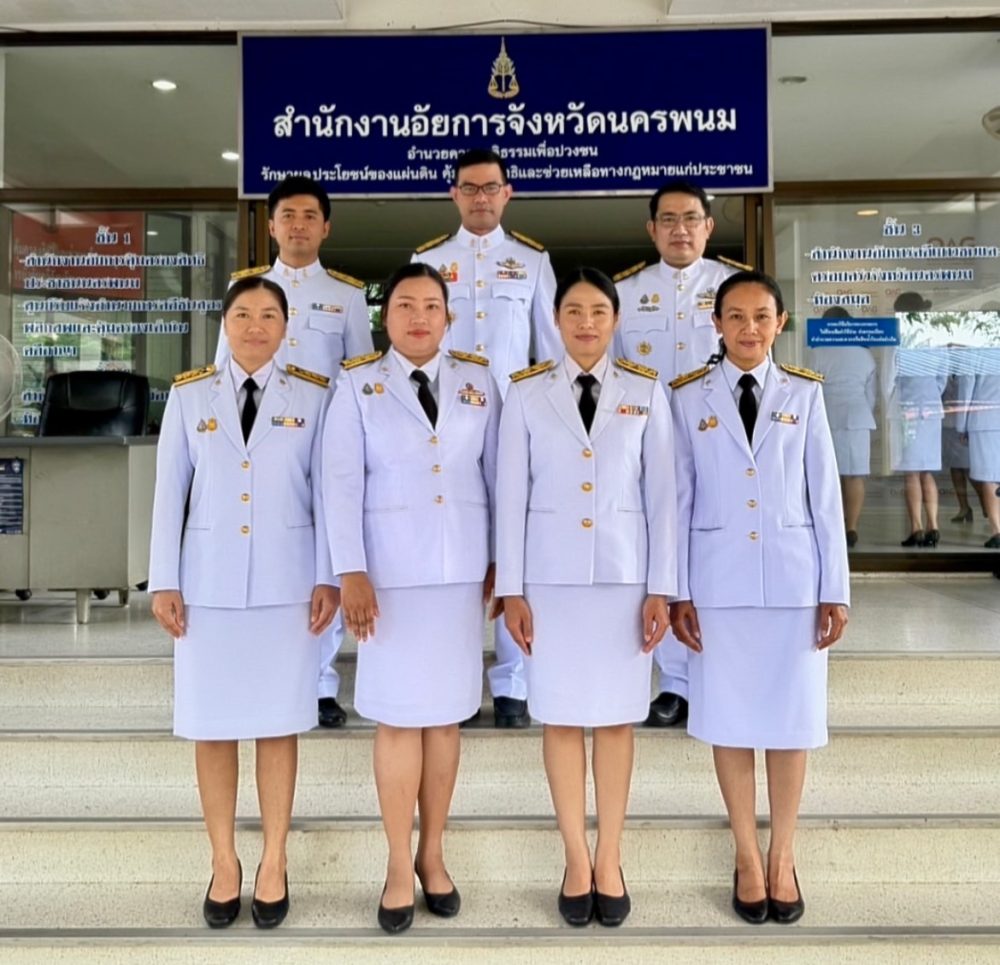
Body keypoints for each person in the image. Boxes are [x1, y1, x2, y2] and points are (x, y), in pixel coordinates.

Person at [149, 277, 338, 930]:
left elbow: (327, 494)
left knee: (278, 723)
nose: (255, 326)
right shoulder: (188, 394)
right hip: (207, 588)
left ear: (286, 326)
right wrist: (163, 579)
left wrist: (329, 576)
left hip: (288, 587)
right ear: (224, 323)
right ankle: (224, 860)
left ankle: (274, 860)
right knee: (212, 724)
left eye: (268, 315)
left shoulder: (313, 395)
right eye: (242, 314)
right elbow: (168, 493)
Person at [323, 263, 501, 934]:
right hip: (388, 578)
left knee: (446, 719)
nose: (419, 316)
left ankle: (434, 851)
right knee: (399, 720)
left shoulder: (479, 381)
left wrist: (502, 562)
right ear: (384, 316)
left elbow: (498, 477)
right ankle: (398, 861)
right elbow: (340, 482)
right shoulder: (356, 384)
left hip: (459, 573)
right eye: (404, 304)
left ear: (449, 316)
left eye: (431, 305)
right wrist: (350, 569)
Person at [496, 267, 676, 928]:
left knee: (619, 720)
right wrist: (511, 589)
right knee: (561, 718)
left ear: (616, 318)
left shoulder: (646, 390)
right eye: (573, 311)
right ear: (555, 319)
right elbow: (510, 493)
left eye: (598, 311)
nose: (586, 323)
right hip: (550, 581)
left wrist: (663, 587)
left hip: (626, 581)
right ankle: (576, 858)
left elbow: (664, 495)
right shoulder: (525, 392)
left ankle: (611, 857)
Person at [670, 270, 849, 925]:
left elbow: (824, 495)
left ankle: (783, 855)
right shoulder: (686, 396)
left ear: (780, 323)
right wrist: (676, 590)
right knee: (729, 721)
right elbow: (677, 499)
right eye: (736, 316)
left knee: (790, 721)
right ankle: (746, 856)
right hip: (717, 585)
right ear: (716, 323)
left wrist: (835, 588)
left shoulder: (805, 392)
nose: (749, 328)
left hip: (795, 583)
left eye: (762, 316)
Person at [216, 174, 373, 731]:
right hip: (258, 443)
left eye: (310, 216)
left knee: (323, 557)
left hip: (326, 444)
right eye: (289, 215)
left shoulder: (347, 295)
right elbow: (222, 371)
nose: (299, 226)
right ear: (272, 225)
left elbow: (361, 374)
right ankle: (267, 672)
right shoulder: (245, 290)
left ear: (325, 227)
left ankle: (321, 683)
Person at [411, 148, 560, 728]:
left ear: (507, 193)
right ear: (453, 194)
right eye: (469, 188)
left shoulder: (532, 260)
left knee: (513, 544)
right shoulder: (428, 259)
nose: (480, 198)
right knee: (454, 545)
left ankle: (513, 683)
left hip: (514, 422)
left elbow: (549, 350)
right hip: (444, 425)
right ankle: (456, 681)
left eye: (490, 187)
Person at [613, 180, 743, 729]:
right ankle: (674, 682)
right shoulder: (627, 291)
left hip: (720, 442)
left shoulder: (734, 285)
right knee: (661, 554)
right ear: (652, 229)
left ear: (709, 226)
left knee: (717, 551)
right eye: (668, 219)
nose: (680, 229)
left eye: (691, 218)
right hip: (648, 443)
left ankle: (719, 670)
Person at [807, 308, 877, 548]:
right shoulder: (865, 355)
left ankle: (832, 527)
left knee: (827, 475)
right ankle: (852, 527)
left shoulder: (817, 352)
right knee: (855, 475)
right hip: (858, 418)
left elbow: (809, 389)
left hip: (826, 417)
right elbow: (871, 395)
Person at [887, 293, 946, 547]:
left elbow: (888, 379)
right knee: (926, 471)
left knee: (911, 472)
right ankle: (934, 525)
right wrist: (930, 398)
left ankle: (916, 528)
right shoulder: (936, 339)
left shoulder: (899, 339)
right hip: (931, 410)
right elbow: (942, 378)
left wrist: (891, 402)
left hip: (907, 408)